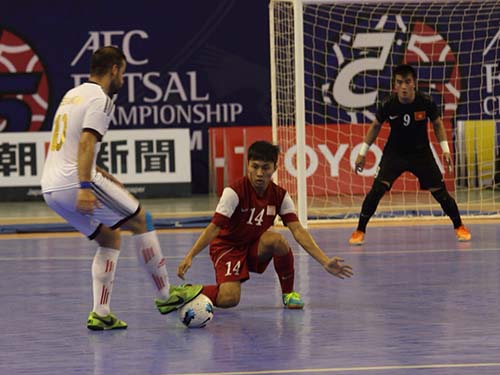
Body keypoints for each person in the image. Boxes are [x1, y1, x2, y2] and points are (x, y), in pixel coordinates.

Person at [40, 46, 201, 330]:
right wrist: (86, 186)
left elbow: (72, 145)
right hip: (73, 182)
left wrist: (104, 175)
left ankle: (100, 313)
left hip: (50, 189)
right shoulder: (100, 98)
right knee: (142, 219)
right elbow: (87, 143)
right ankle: (166, 295)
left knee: (110, 237)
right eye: (123, 73)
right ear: (114, 69)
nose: (123, 81)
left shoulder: (72, 95)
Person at [165, 140, 353, 313]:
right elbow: (214, 228)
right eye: (255, 167)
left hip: (253, 247)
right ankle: (185, 293)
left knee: (277, 241)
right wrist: (190, 255)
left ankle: (289, 294)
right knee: (230, 298)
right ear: (248, 166)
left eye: (266, 168)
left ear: (275, 168)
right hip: (227, 248)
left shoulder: (280, 196)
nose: (260, 173)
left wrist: (325, 261)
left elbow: (298, 230)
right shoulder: (234, 192)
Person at [349, 64, 471, 246]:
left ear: (414, 84)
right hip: (394, 154)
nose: (404, 86)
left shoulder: (426, 102)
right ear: (394, 86)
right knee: (376, 191)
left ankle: (459, 226)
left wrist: (445, 149)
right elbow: (375, 126)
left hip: (421, 154)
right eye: (400, 82)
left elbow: (437, 124)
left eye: (407, 82)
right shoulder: (388, 105)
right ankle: (360, 230)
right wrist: (362, 153)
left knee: (440, 193)